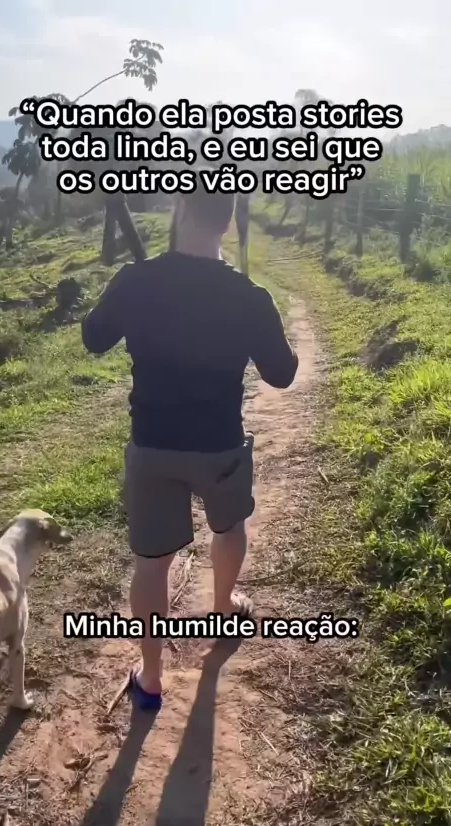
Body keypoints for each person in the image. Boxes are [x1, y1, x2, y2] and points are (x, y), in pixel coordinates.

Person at [81, 187, 299, 711]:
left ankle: (151, 678)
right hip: (218, 445)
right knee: (230, 528)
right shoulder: (249, 296)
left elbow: (93, 338)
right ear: (227, 223)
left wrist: (122, 293)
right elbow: (282, 374)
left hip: (152, 446)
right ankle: (224, 609)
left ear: (178, 211)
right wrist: (262, 320)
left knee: (152, 564)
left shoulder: (136, 281)